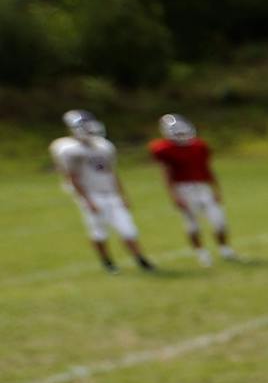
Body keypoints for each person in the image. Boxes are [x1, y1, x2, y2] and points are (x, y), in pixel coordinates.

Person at [51, 109, 155, 273]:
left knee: (128, 229)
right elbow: (73, 178)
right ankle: (107, 262)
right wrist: (87, 200)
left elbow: (112, 173)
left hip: (110, 193)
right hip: (91, 194)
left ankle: (141, 259)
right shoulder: (69, 150)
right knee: (99, 232)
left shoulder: (104, 147)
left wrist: (122, 195)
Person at [148, 113, 240, 264]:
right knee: (192, 225)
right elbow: (166, 174)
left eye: (183, 132)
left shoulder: (199, 146)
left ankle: (225, 250)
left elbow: (207, 168)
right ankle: (201, 253)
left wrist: (215, 189)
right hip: (183, 188)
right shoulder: (165, 149)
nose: (182, 136)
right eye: (178, 133)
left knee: (219, 220)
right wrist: (174, 195)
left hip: (203, 186)